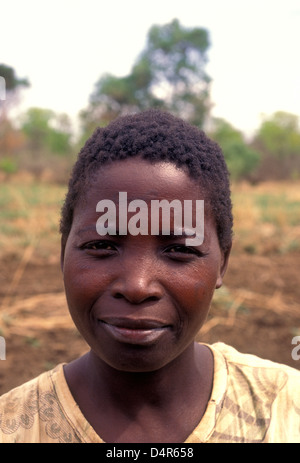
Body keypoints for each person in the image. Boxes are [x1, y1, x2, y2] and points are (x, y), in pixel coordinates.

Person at [0, 110, 299, 443]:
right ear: (63, 251)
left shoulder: (283, 411)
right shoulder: (14, 427)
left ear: (223, 263)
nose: (137, 286)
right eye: (102, 245)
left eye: (179, 251)